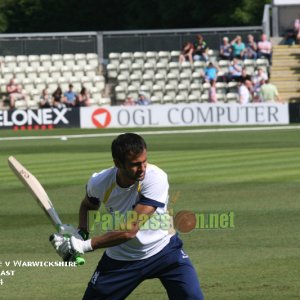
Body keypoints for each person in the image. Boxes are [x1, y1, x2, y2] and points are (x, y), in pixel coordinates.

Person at [50, 133, 204, 299]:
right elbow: (88, 205)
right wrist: (82, 232)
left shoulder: (155, 177)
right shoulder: (99, 182)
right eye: (135, 164)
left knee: (192, 296)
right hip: (121, 259)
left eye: (144, 161)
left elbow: (129, 231)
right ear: (117, 163)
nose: (142, 168)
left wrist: (83, 245)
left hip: (165, 252)